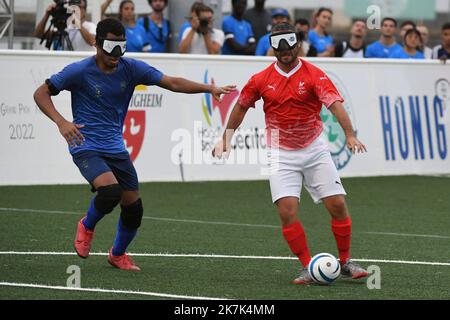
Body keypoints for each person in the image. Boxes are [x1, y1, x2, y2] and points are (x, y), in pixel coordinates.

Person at [33, 18, 235, 271]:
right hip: (85, 144)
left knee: (134, 208)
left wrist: (209, 88)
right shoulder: (79, 71)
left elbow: (172, 83)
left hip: (115, 147)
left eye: (121, 47)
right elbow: (41, 93)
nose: (116, 54)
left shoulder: (131, 68)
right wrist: (61, 122)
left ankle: (117, 255)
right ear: (96, 44)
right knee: (109, 192)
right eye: (110, 46)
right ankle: (87, 225)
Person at [213, 22, 368, 284]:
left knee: (338, 205)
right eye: (278, 43)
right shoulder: (261, 79)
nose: (285, 49)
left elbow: (335, 105)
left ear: (298, 44)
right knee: (286, 211)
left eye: (289, 42)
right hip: (280, 153)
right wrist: (225, 138)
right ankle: (308, 266)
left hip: (315, 149)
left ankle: (345, 261)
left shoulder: (314, 74)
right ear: (271, 46)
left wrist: (350, 135)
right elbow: (240, 107)